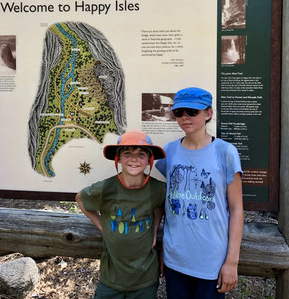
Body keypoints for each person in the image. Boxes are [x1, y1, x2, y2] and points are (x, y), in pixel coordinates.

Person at [155, 87, 244, 299]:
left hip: (211, 261)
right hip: (175, 259)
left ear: (208, 113)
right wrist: (164, 254)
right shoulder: (170, 151)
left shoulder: (226, 152)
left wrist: (232, 261)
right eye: (179, 112)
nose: (185, 117)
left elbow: (236, 209)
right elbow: (168, 203)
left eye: (192, 112)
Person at [76, 130, 167, 299]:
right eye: (127, 153)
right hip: (111, 278)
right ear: (118, 158)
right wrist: (102, 227)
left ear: (149, 160)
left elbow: (160, 205)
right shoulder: (106, 188)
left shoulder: (157, 189)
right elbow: (81, 198)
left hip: (145, 278)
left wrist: (154, 229)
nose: (134, 159)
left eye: (141, 154)